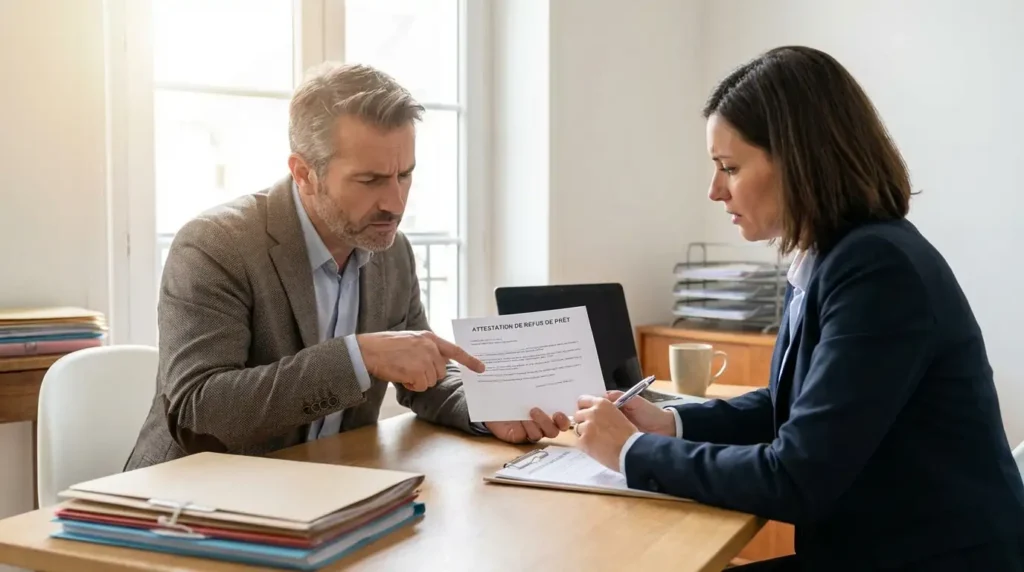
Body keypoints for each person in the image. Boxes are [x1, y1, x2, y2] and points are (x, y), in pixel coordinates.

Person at [570, 46, 1024, 570]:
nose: (715, 191)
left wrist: (631, 451)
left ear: (799, 161)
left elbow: (796, 477)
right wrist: (669, 423)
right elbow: (790, 405)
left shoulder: (878, 270)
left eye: (729, 167)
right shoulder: (830, 255)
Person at [125, 62, 570, 470]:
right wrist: (359, 356)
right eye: (370, 180)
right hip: (194, 497)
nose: (395, 203)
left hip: (327, 488)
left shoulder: (392, 252)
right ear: (304, 173)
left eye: (405, 174)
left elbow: (421, 373)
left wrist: (488, 412)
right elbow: (199, 411)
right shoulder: (216, 245)